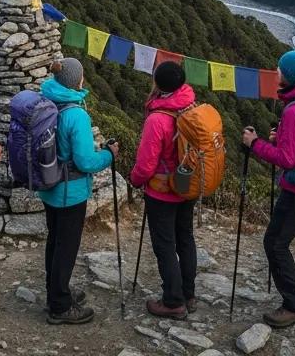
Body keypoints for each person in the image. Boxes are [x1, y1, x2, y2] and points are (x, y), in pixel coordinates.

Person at [242, 50, 295, 327]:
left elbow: (287, 159)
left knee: (275, 244)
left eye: (279, 71)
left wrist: (255, 144)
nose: (276, 74)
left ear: (289, 76)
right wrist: (283, 139)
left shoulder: (294, 109)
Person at [37, 57, 119, 326]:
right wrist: (108, 155)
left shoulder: (45, 101)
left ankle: (54, 291)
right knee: (66, 247)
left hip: (49, 187)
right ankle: (60, 305)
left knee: (55, 241)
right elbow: (85, 161)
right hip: (69, 192)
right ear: (77, 81)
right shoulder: (76, 114)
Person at [130, 60, 198, 319]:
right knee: (185, 238)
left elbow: (146, 165)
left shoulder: (157, 119)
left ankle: (173, 301)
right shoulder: (191, 105)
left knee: (165, 245)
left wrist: (135, 180)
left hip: (162, 191)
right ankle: (188, 294)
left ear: (157, 84)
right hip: (187, 185)